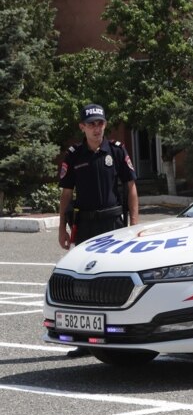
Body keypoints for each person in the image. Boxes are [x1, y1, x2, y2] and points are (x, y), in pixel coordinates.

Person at [57, 103, 139, 357]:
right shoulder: (74, 155)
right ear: (82, 127)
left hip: (113, 224)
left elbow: (130, 187)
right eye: (91, 124)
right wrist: (62, 227)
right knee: (81, 281)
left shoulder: (115, 151)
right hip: (85, 226)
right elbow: (66, 195)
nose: (96, 128)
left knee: (112, 278)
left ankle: (115, 333)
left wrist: (134, 223)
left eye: (100, 123)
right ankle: (83, 341)